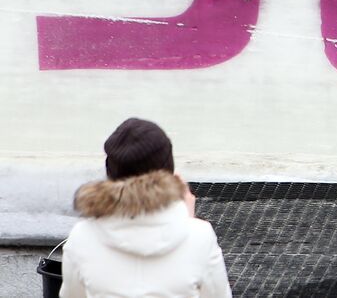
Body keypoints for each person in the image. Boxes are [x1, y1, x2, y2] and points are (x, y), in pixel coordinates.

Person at [60, 118, 232, 298]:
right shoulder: (200, 236)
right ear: (169, 174)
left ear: (110, 174)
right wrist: (187, 219)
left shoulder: (82, 236)